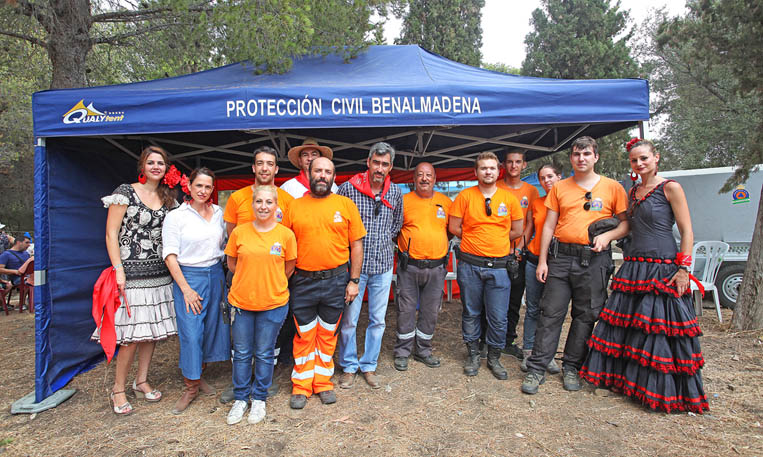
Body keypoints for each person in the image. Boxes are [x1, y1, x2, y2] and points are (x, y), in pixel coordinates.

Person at [580, 139, 709, 413]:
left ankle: (662, 392)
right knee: (630, 330)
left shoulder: (671, 188)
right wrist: (606, 236)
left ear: (656, 158)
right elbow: (627, 226)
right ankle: (631, 385)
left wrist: (684, 269)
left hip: (662, 268)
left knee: (658, 331)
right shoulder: (634, 191)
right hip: (634, 266)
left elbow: (687, 231)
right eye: (634, 160)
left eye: (643, 159)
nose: (639, 164)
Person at [522, 136, 628, 395]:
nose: (581, 158)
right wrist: (543, 260)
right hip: (561, 258)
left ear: (596, 157)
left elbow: (626, 223)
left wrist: (608, 237)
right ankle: (537, 368)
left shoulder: (613, 187)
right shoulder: (560, 188)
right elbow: (548, 225)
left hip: (594, 260)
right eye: (577, 154)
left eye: (586, 154)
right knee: (550, 314)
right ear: (571, 158)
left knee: (585, 316)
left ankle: (572, 366)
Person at [93, 145, 179, 415]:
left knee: (150, 332)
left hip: (159, 274)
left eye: (161, 163)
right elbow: (111, 233)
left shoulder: (169, 199)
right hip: (131, 274)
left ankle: (140, 380)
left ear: (166, 169)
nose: (156, 166)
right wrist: (118, 268)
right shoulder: (125, 192)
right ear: (142, 167)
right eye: (151, 162)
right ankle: (118, 388)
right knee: (129, 336)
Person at [282, 157, 365, 409]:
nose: (322, 175)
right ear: (308, 173)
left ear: (333, 176)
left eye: (327, 171)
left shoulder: (346, 205)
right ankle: (301, 386)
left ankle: (323, 383)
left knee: (328, 334)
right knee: (304, 334)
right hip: (302, 281)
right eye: (317, 170)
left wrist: (354, 281)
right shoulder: (294, 206)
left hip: (336, 280)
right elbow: (284, 243)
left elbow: (357, 245)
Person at [222, 145, 295, 401]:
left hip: (273, 278)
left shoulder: (287, 200)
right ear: (254, 168)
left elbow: (289, 254)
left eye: (270, 164)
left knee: (268, 340)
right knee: (241, 343)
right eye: (260, 163)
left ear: (276, 169)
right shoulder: (237, 198)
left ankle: (264, 382)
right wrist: (245, 268)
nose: (265, 168)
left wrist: (275, 277)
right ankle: (239, 386)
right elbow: (231, 238)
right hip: (242, 276)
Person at [449, 152, 523, 380]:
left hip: (500, 267)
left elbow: (517, 230)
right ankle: (473, 354)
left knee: (498, 316)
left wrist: (497, 239)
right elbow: (454, 227)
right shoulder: (465, 196)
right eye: (483, 168)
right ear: (476, 172)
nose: (488, 172)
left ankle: (494, 357)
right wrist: (475, 237)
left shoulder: (509, 199)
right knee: (471, 312)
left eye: (491, 168)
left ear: (498, 170)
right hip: (470, 264)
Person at [162, 167, 230, 414]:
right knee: (191, 332)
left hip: (215, 274)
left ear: (213, 189)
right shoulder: (176, 216)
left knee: (212, 327)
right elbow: (169, 255)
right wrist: (186, 289)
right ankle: (190, 386)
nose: (203, 191)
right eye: (198, 185)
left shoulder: (219, 213)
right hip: (189, 276)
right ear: (188, 186)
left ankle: (198, 375)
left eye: (208, 187)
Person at [337, 142, 403, 389]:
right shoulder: (348, 189)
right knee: (350, 320)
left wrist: (382, 242)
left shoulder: (395, 193)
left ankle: (369, 365)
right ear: (368, 162)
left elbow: (396, 225)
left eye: (385, 164)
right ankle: (349, 366)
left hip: (384, 265)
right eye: (376, 162)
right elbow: (338, 224)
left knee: (378, 319)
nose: (380, 168)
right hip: (355, 268)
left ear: (390, 167)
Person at [393, 162, 452, 372]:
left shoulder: (446, 202)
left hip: (436, 268)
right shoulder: (403, 201)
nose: (424, 179)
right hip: (409, 267)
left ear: (435, 179)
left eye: (429, 175)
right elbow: (394, 230)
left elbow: (451, 230)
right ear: (414, 178)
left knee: (430, 311)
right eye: (420, 175)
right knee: (405, 310)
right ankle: (402, 351)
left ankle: (424, 350)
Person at [494, 149, 539, 360]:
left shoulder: (530, 191)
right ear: (503, 165)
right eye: (510, 162)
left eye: (517, 162)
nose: (513, 166)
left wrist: (519, 247)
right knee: (492, 299)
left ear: (524, 165)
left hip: (518, 254)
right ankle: (489, 339)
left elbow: (530, 222)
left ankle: (508, 340)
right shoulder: (495, 186)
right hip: (495, 252)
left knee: (513, 300)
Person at [520, 165, 563, 374]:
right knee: (533, 307)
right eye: (542, 178)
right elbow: (530, 227)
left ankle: (547, 354)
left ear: (559, 177)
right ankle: (528, 350)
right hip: (534, 259)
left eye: (550, 176)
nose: (547, 181)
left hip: (558, 261)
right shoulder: (537, 203)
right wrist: (520, 248)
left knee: (552, 310)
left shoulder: (567, 200)